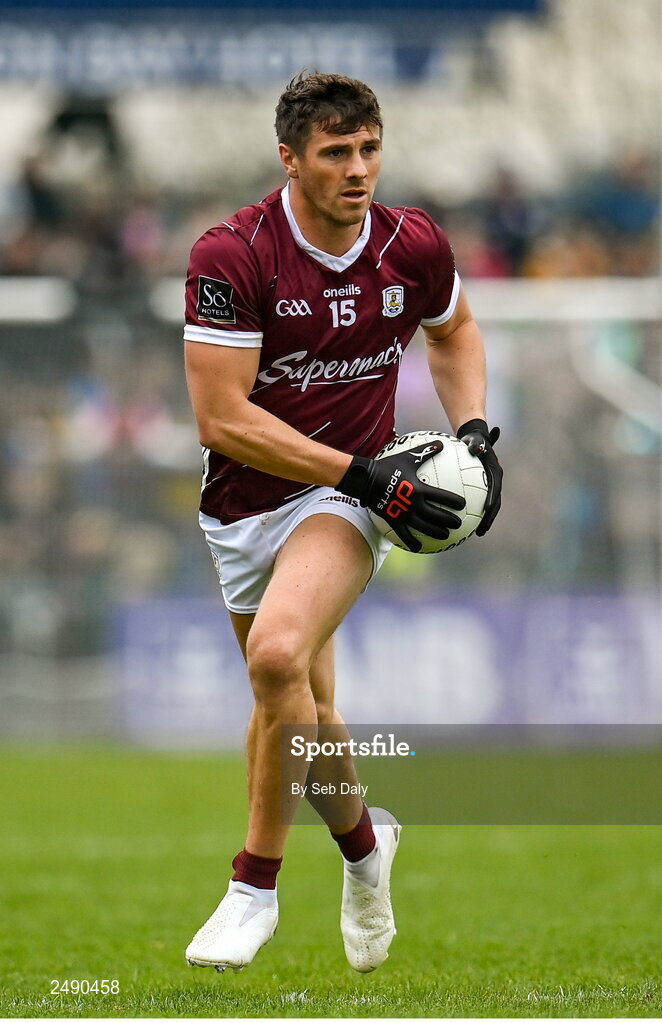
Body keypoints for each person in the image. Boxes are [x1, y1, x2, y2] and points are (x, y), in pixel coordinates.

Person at [182, 71, 502, 974]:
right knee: (301, 710)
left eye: (369, 149)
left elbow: (456, 330)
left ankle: (254, 887)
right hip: (247, 503)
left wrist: (472, 437)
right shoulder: (232, 255)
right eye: (335, 153)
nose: (358, 168)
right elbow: (223, 420)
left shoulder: (411, 245)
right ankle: (368, 852)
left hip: (349, 504)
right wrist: (366, 471)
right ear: (290, 159)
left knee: (277, 657)